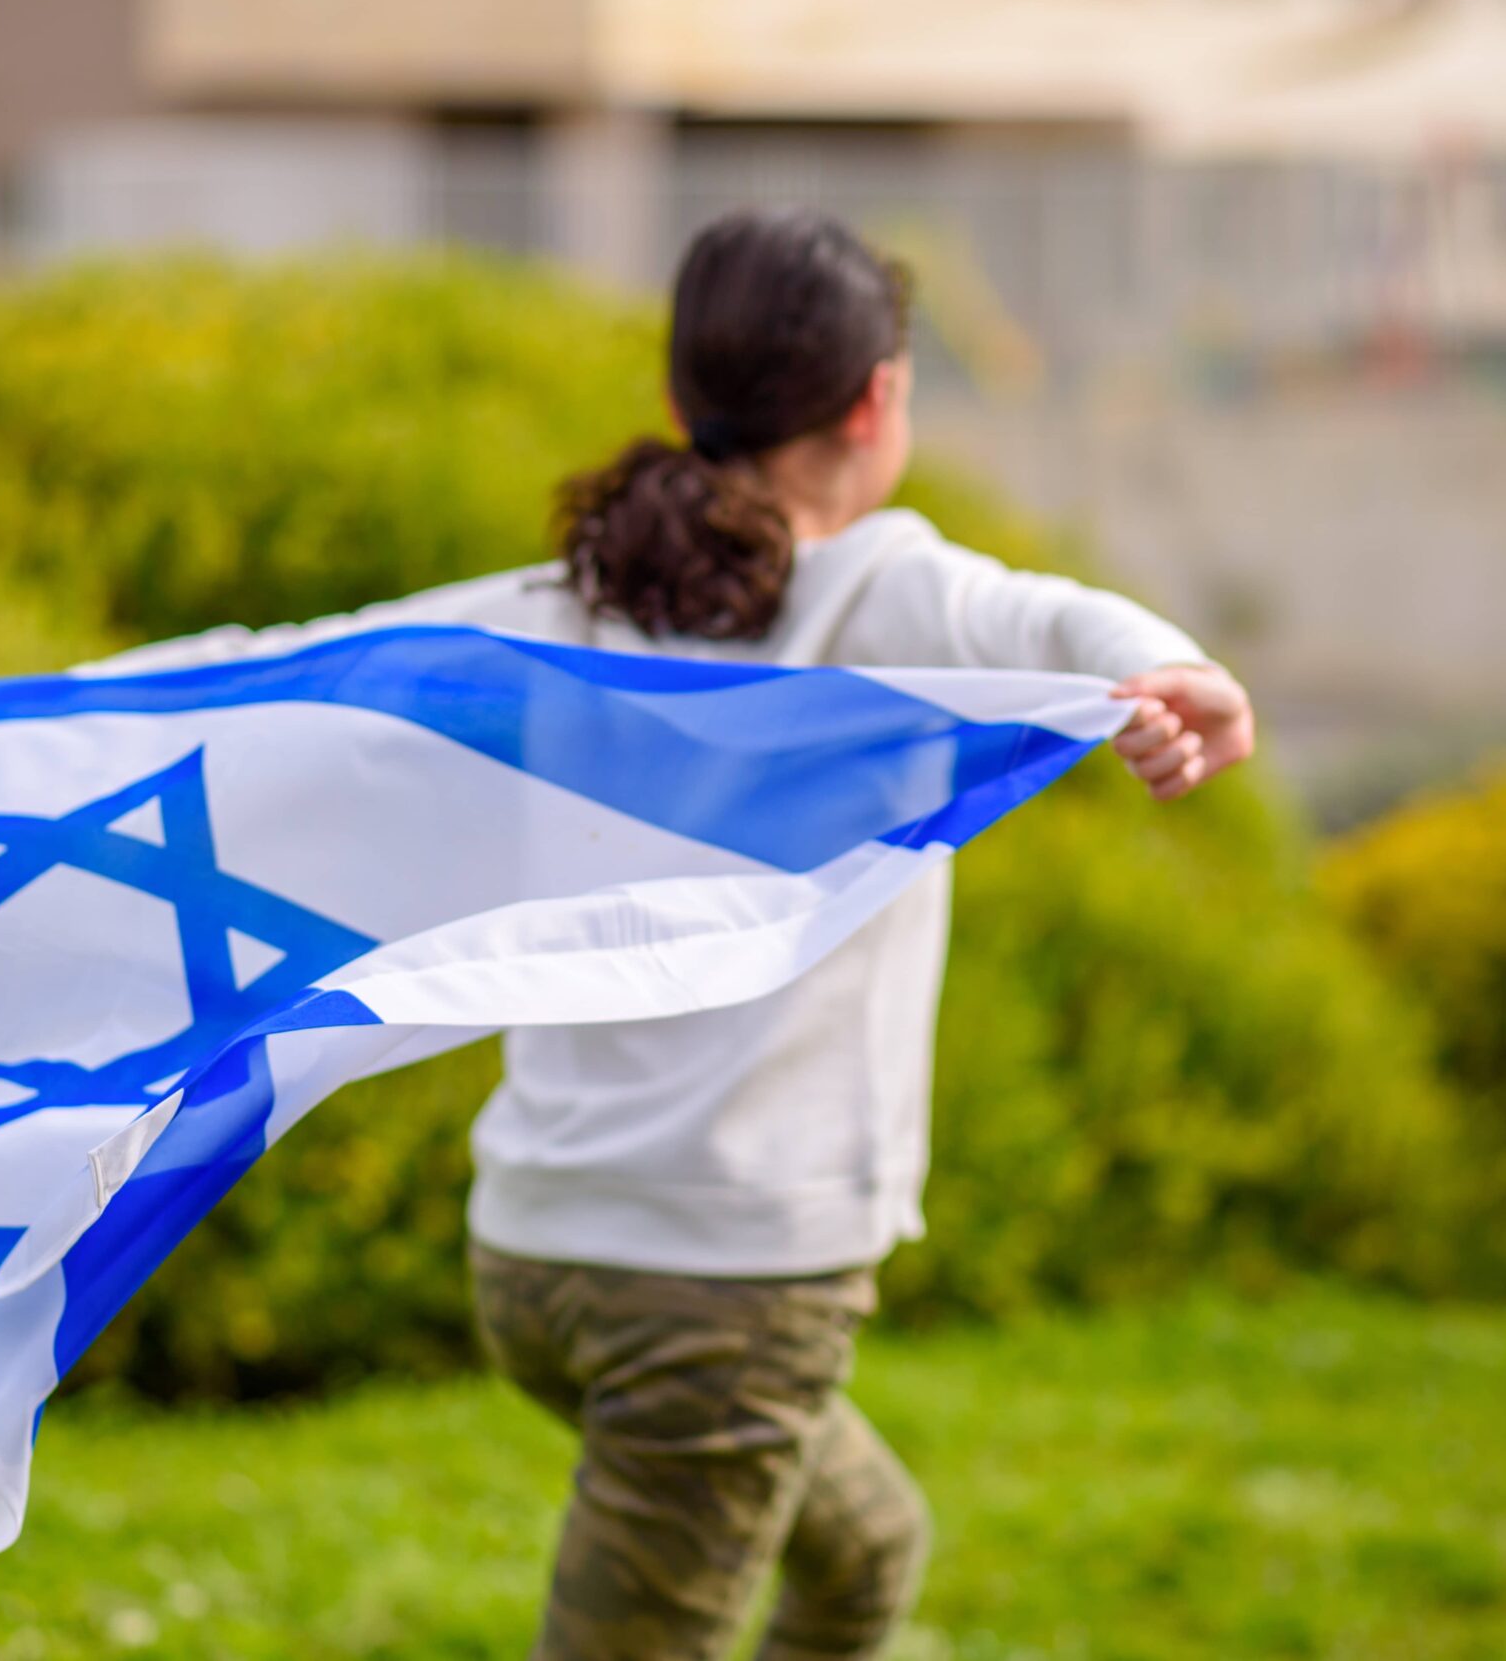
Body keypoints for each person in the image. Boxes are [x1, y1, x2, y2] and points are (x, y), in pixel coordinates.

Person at [91, 208, 1253, 1659]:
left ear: (677, 395)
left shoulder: (569, 603)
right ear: (878, 399)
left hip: (533, 1257)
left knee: (865, 1561)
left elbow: (279, 673)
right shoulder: (884, 594)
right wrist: (1174, 671)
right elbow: (1055, 618)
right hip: (715, 1295)